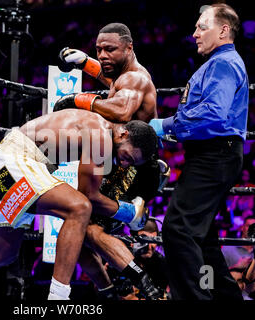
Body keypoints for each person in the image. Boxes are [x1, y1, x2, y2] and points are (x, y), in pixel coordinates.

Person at [0, 108, 158, 300]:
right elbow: (90, 197)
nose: (125, 164)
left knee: (3, 253)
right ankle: (58, 298)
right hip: (15, 162)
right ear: (124, 135)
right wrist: (130, 212)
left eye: (130, 163)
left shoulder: (98, 127)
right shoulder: (102, 136)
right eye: (128, 156)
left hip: (1, 168)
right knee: (80, 207)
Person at [55, 22, 167, 299]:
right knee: (74, 231)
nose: (103, 55)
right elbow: (113, 83)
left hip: (131, 165)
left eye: (110, 49)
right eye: (99, 49)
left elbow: (121, 107)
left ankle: (140, 279)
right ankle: (111, 290)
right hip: (123, 163)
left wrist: (77, 99)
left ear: (129, 48)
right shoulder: (126, 77)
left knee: (84, 223)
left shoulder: (136, 79)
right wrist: (85, 63)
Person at [149, 4, 248, 300]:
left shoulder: (223, 64)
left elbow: (214, 114)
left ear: (223, 30)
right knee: (201, 237)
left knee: (178, 230)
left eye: (202, 27)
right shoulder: (220, 63)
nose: (195, 34)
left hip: (213, 155)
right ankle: (225, 297)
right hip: (214, 156)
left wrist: (166, 125)